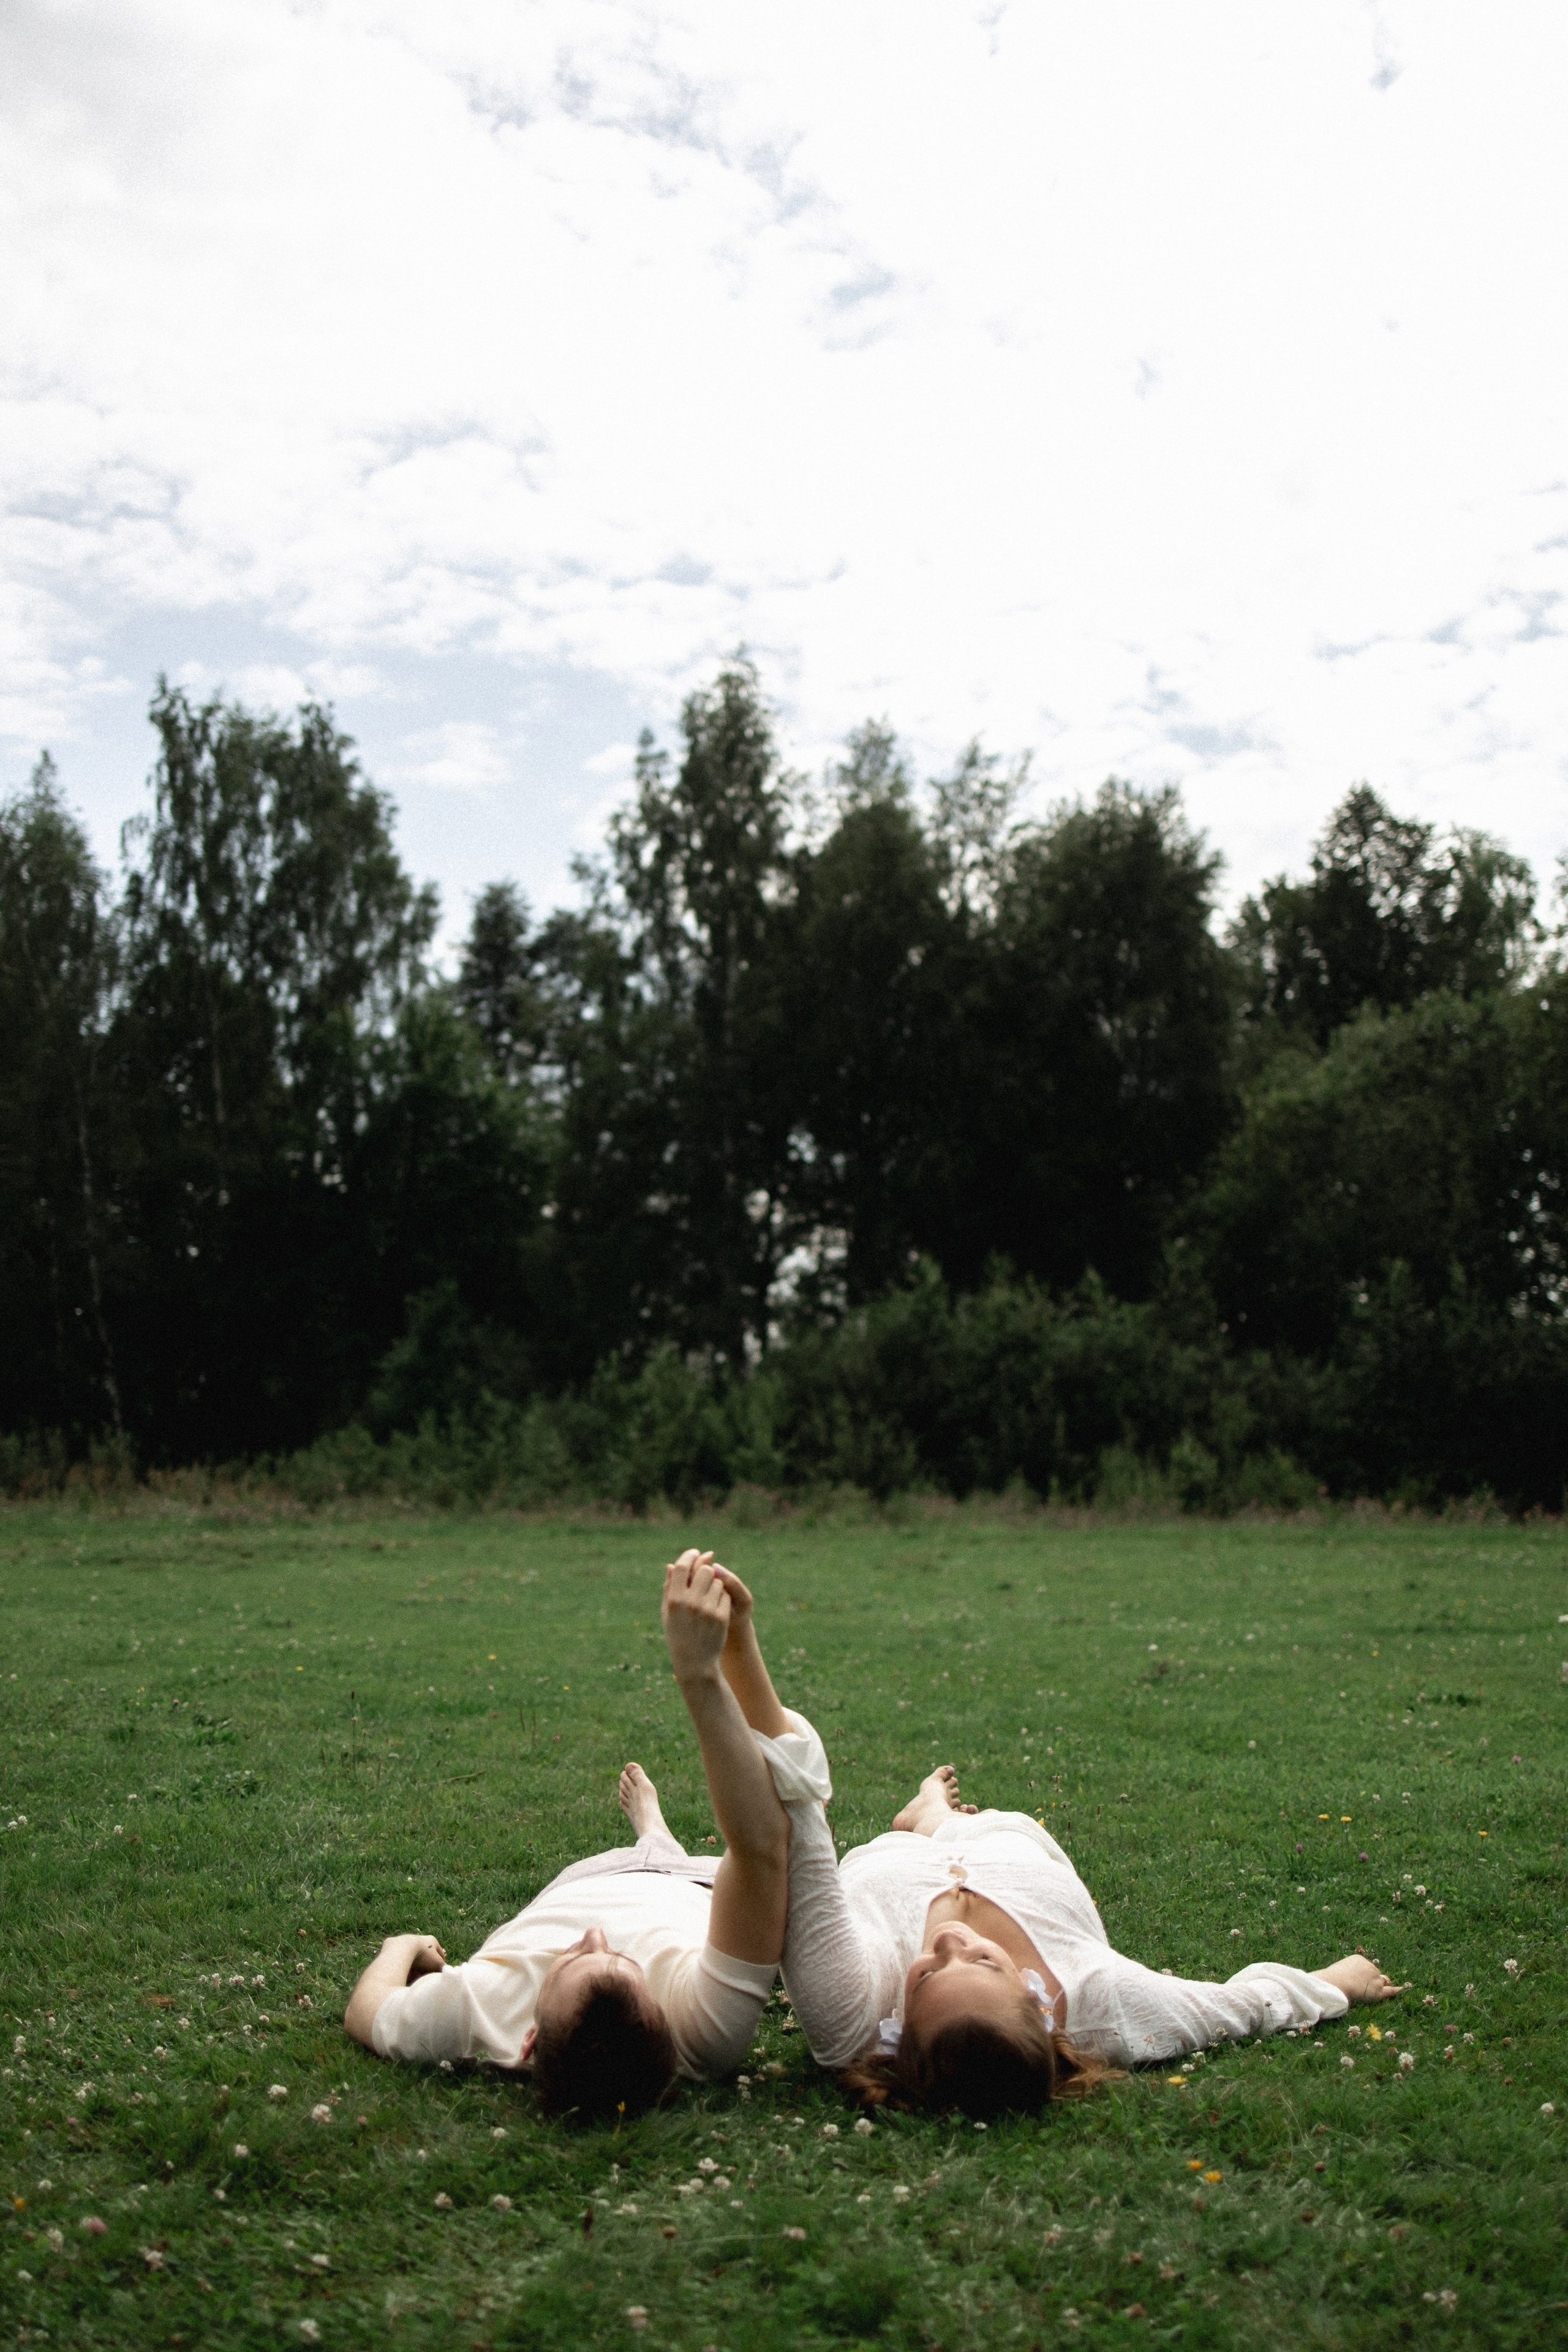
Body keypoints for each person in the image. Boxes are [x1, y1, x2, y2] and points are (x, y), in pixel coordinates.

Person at [703, 1574, 1404, 2119]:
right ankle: (936, 1816)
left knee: (884, 1852)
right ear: (1038, 2006)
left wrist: (740, 1646)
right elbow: (1239, 2007)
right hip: (1010, 1851)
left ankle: (922, 1822)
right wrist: (1332, 1985)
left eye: (925, 1975)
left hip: (884, 1873)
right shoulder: (1112, 2006)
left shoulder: (848, 2022)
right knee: (990, 1828)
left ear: (898, 2037)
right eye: (980, 1961)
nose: (948, 1940)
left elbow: (803, 1826)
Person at [344, 1550, 819, 2120]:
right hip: (698, 1887)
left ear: (527, 2043)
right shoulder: (702, 2037)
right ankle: (657, 1837)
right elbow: (763, 1847)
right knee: (727, 1862)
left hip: (592, 1878)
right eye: (622, 1960)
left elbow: (368, 2011)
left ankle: (653, 1835)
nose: (595, 1936)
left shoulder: (475, 2015)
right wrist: (701, 1672)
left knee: (644, 1858)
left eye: (571, 1961)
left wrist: (403, 1946)